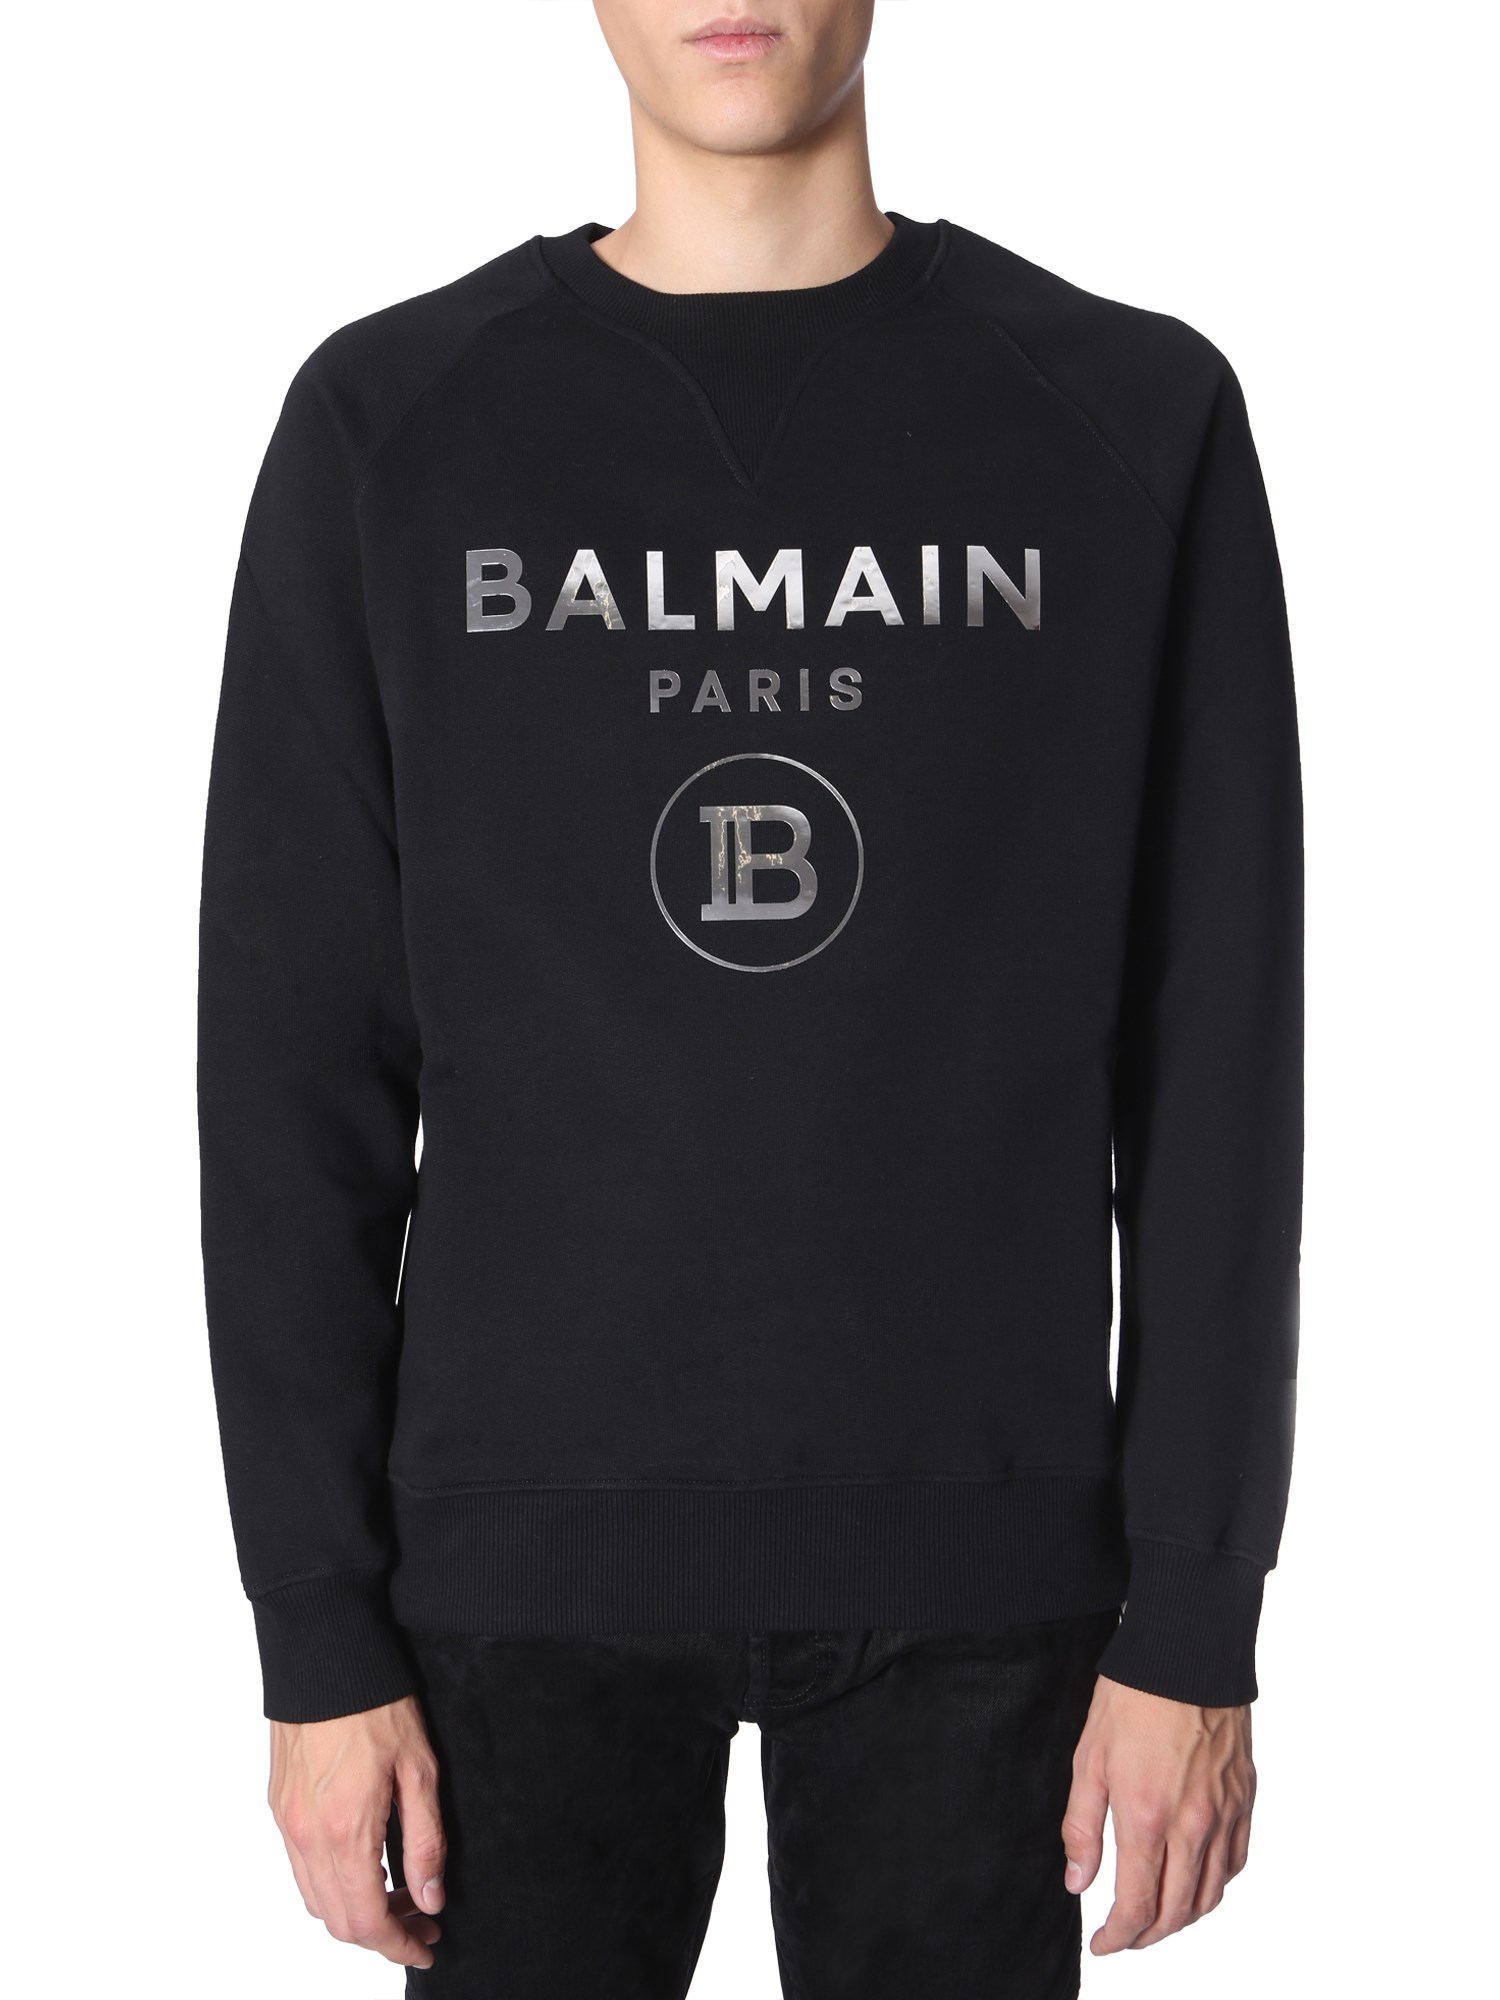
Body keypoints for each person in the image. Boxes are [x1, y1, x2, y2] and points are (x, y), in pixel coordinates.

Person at [196, 3, 1303, 1994]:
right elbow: (289, 1082)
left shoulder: (1131, 418)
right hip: (508, 1594)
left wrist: (1198, 1621)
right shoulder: (394, 422)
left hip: (992, 1584)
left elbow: (1222, 1066)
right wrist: (316, 1631)